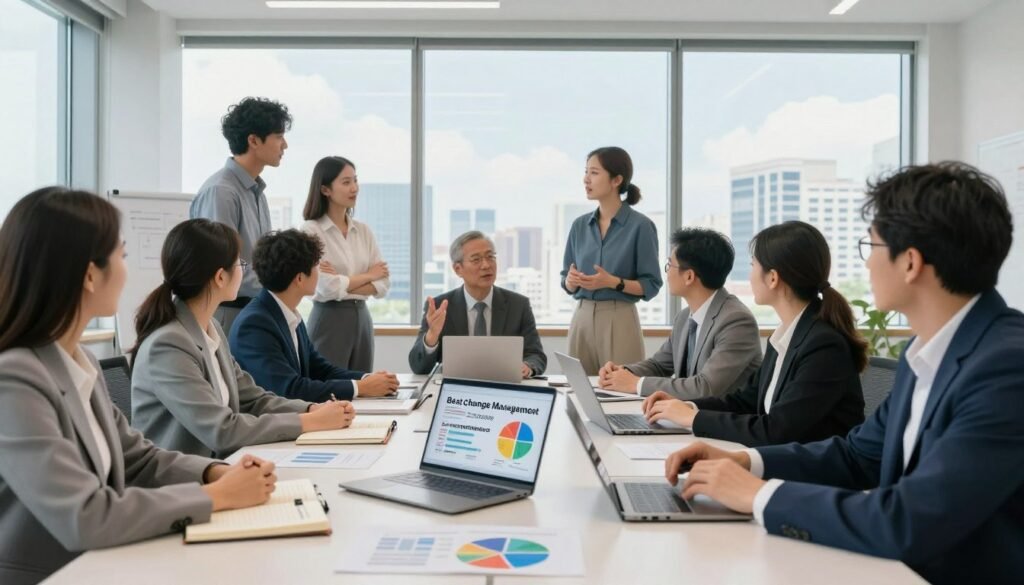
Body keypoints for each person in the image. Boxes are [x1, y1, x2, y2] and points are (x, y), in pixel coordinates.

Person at [664, 163, 1024, 584]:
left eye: (869, 245)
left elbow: (909, 521)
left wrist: (759, 495)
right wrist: (743, 460)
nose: (866, 263)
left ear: (910, 262)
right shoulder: (924, 351)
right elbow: (856, 456)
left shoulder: (1006, 368)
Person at [0, 188, 278, 584]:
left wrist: (216, 473)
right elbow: (86, 515)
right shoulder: (14, 379)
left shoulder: (78, 362)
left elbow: (140, 459)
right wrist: (218, 496)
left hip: (106, 563)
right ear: (90, 274)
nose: (128, 270)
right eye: (122, 256)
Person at [131, 219, 356, 459]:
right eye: (239, 262)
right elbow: (223, 430)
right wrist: (308, 422)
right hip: (182, 484)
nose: (244, 269)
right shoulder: (168, 345)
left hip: (223, 467)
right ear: (220, 277)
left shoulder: (211, 328)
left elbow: (253, 399)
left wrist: (311, 408)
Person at [643, 221, 866, 447]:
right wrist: (688, 407)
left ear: (772, 278)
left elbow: (776, 430)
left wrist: (693, 418)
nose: (750, 276)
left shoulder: (823, 346)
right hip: (778, 460)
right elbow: (744, 401)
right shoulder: (785, 336)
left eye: (752, 266)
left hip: (810, 475)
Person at [229, 229, 399, 401]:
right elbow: (289, 389)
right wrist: (360, 388)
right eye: (316, 266)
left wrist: (367, 379)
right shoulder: (254, 324)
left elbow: (321, 370)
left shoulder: (289, 313)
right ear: (300, 279)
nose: (320, 273)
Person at [598, 227, 761, 399]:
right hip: (687, 414)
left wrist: (635, 384)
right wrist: (621, 373)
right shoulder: (685, 317)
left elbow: (705, 387)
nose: (667, 273)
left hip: (723, 420)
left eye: (670, 265)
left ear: (689, 276)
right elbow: (659, 365)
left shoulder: (736, 321)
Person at [190, 96, 292, 334]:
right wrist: (280, 289)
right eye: (278, 136)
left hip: (253, 309)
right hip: (227, 313)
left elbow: (264, 261)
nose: (284, 145)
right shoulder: (221, 192)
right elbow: (221, 268)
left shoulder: (257, 192)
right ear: (254, 140)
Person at [561, 146, 663, 374]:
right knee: (577, 389)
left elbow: (651, 285)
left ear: (617, 179)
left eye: (594, 173)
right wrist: (571, 281)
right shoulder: (579, 226)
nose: (586, 179)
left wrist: (612, 282)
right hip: (582, 316)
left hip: (620, 317)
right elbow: (564, 279)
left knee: (620, 391)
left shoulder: (641, 226)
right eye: (586, 172)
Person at [408, 230, 546, 377]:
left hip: (504, 386)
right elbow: (418, 367)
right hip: (457, 391)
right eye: (476, 260)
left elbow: (536, 355)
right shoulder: (440, 307)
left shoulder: (518, 305)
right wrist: (432, 335)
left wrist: (528, 366)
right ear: (458, 269)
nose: (486, 265)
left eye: (490, 257)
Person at [300, 156, 389, 371]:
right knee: (328, 391)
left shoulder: (364, 230)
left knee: (364, 391)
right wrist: (368, 275)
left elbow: (384, 284)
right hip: (329, 318)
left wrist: (342, 282)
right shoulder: (311, 231)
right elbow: (324, 287)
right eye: (346, 182)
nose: (355, 188)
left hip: (363, 319)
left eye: (355, 181)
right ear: (325, 190)